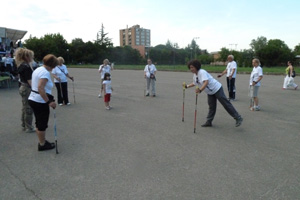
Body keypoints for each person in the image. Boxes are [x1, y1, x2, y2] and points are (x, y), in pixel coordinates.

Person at [184, 59, 243, 127]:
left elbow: (206, 82)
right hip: (210, 92)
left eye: (192, 67)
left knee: (226, 104)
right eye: (190, 67)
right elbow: (195, 83)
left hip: (217, 88)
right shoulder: (195, 75)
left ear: (196, 66)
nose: (191, 69)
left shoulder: (202, 72)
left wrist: (200, 90)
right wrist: (187, 86)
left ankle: (238, 117)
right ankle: (209, 121)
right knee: (211, 107)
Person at [28, 54, 59, 151]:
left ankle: (43, 141)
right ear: (52, 65)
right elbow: (40, 88)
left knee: (39, 122)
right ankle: (42, 144)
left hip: (33, 98)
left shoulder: (38, 69)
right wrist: (49, 101)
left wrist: (49, 97)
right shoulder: (45, 73)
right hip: (39, 101)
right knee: (42, 123)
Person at [15, 48, 35, 133]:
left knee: (24, 107)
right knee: (28, 108)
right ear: (26, 57)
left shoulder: (21, 65)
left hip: (23, 87)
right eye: (30, 56)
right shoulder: (26, 67)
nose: (31, 58)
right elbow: (30, 81)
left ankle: (24, 124)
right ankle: (29, 126)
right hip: (27, 88)